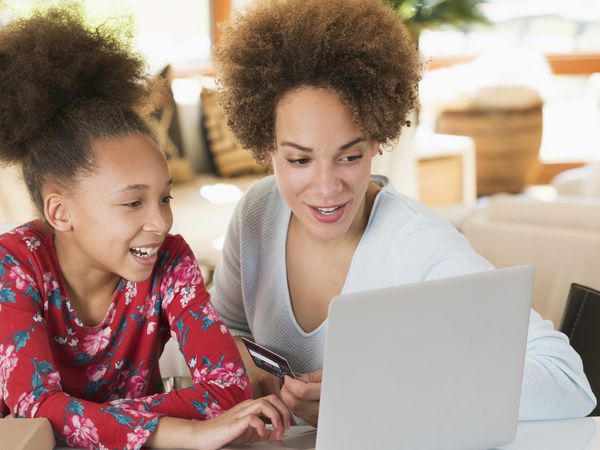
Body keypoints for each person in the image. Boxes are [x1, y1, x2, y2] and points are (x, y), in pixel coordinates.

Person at [211, 0, 596, 427]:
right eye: (299, 160)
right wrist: (244, 364)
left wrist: (379, 392)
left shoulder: (415, 244)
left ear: (377, 140)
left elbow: (565, 381)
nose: (325, 187)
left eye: (350, 156)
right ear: (267, 146)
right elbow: (224, 328)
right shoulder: (258, 211)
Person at [0, 8, 290, 450]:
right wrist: (184, 433)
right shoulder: (13, 264)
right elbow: (33, 411)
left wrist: (79, 418)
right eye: (133, 202)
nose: (160, 222)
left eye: (165, 198)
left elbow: (230, 390)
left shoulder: (169, 259)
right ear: (59, 213)